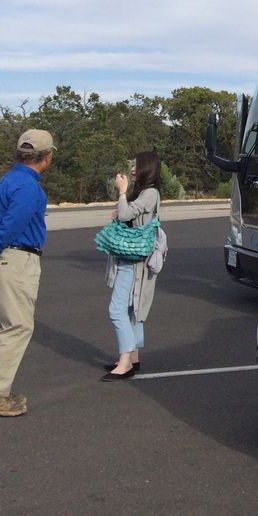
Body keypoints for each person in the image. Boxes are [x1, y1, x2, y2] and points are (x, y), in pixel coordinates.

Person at [0, 128, 56, 417]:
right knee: (17, 326)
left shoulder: (5, 181)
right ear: (46, 157)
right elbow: (11, 225)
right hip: (16, 260)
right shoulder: (29, 188)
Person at [103, 151, 163, 381]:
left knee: (117, 310)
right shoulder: (145, 193)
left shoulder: (150, 193)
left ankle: (125, 362)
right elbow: (126, 214)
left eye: (136, 165)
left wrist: (121, 192)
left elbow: (126, 213)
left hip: (133, 261)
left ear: (147, 168)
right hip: (132, 258)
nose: (132, 169)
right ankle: (133, 357)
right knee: (132, 311)